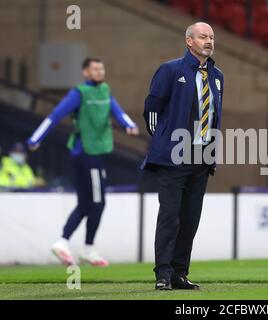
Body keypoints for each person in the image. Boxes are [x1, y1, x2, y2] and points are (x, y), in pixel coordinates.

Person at [27, 57, 139, 267]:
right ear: (85, 73)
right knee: (98, 202)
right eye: (94, 69)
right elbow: (55, 116)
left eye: (101, 68)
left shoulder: (105, 90)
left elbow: (117, 110)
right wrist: (36, 138)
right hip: (87, 152)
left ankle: (63, 242)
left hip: (92, 152)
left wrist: (129, 124)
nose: (99, 72)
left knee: (86, 203)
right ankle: (87, 248)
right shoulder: (79, 93)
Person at [142, 22, 224, 290]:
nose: (209, 41)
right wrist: (165, 142)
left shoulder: (218, 75)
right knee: (170, 216)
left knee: (190, 218)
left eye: (211, 37)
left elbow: (213, 116)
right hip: (173, 156)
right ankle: (163, 274)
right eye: (203, 36)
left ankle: (179, 273)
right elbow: (152, 109)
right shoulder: (170, 70)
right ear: (189, 41)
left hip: (202, 157)